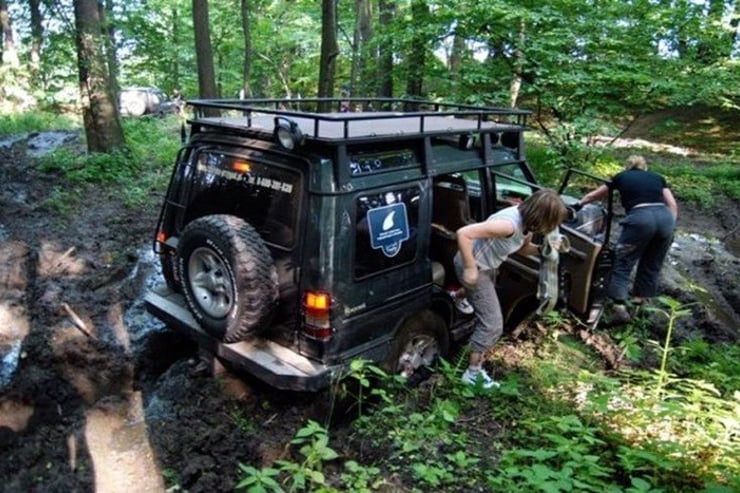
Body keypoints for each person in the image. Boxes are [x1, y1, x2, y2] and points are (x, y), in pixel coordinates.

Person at [455, 188, 569, 388]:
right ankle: (472, 373)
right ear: (541, 216)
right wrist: (470, 268)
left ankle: (457, 295)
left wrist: (545, 248)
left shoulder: (526, 223)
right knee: (492, 324)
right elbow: (464, 233)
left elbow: (524, 249)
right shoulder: (507, 225)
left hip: (487, 265)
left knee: (482, 294)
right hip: (474, 265)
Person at [576, 155, 678, 324]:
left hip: (640, 219)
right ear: (645, 167)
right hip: (665, 219)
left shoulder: (622, 176)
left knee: (623, 261)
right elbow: (673, 205)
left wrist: (578, 204)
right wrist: (670, 227)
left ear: (627, 166)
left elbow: (595, 196)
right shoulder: (658, 178)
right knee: (652, 264)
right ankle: (640, 306)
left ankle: (619, 308)